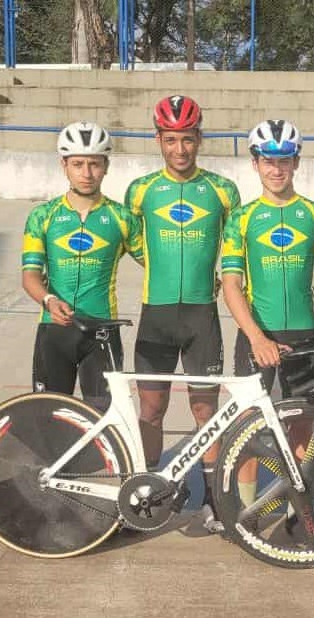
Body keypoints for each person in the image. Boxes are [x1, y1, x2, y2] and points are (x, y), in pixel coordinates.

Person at [123, 95, 241, 533]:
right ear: (158, 139)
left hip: (201, 317)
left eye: (188, 139)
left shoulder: (223, 190)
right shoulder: (140, 190)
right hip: (155, 315)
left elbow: (236, 243)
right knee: (151, 409)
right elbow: (129, 239)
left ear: (199, 139)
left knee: (205, 409)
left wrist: (221, 276)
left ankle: (213, 500)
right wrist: (158, 265)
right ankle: (148, 491)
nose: (180, 149)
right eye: (171, 140)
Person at [222, 119, 314, 506]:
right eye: (268, 161)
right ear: (255, 163)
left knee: (300, 426)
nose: (276, 169)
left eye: (284, 160)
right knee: (247, 426)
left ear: (296, 162)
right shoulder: (242, 218)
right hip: (257, 336)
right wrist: (257, 338)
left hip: (302, 334)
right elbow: (231, 285)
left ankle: (294, 512)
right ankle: (246, 510)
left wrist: (312, 335)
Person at [22, 121, 143, 411]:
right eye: (78, 164)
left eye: (94, 164)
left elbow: (156, 264)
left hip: (102, 332)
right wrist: (49, 300)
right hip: (54, 329)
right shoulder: (43, 216)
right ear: (64, 165)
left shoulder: (122, 218)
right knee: (48, 416)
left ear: (106, 166)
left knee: (103, 417)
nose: (87, 173)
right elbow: (30, 277)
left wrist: (208, 278)